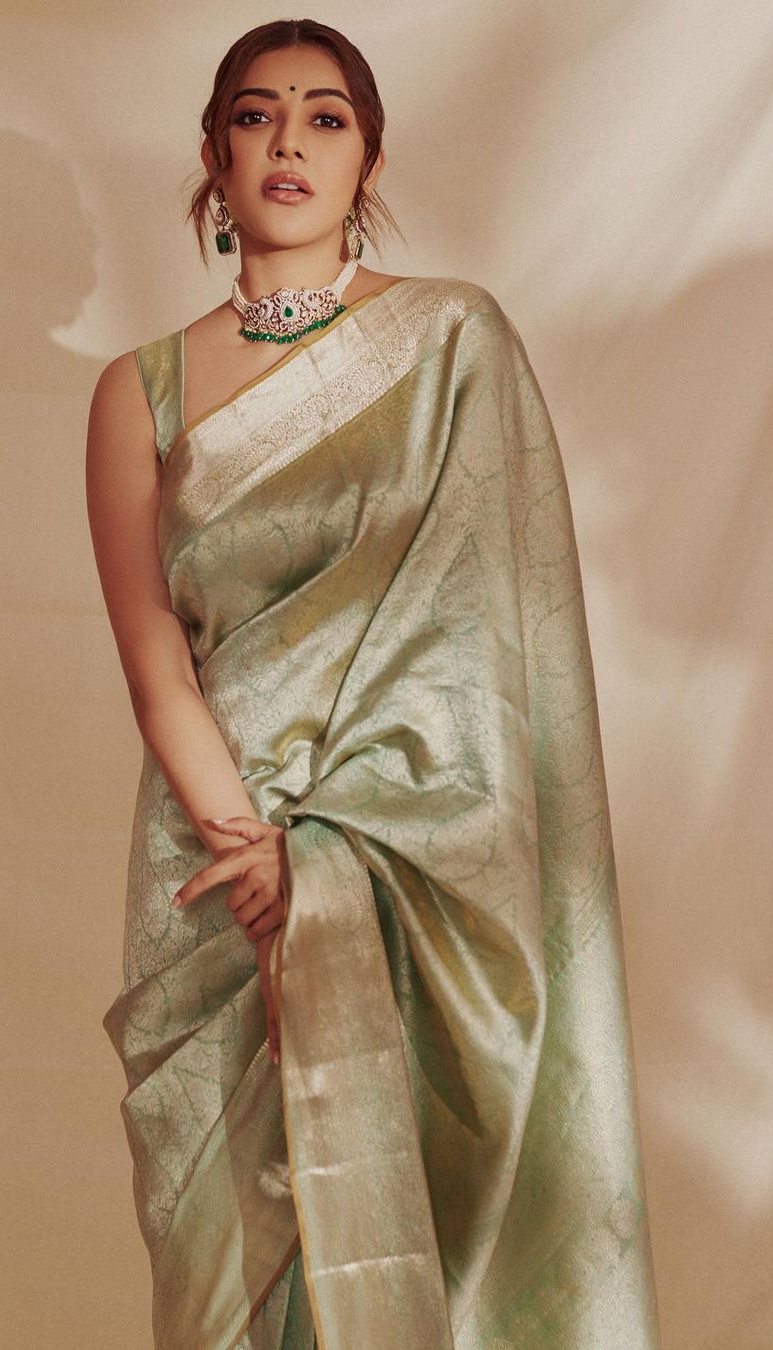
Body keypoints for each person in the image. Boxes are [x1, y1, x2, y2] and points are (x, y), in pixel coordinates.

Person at [86, 17, 661, 1350]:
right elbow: (155, 662)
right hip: (213, 873)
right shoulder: (140, 391)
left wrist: (337, 862)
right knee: (234, 1267)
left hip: (420, 867)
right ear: (214, 155)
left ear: (369, 158)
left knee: (428, 1235)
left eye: (325, 117)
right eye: (255, 114)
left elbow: (487, 643)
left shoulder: (453, 342)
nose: (288, 140)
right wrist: (256, 859)